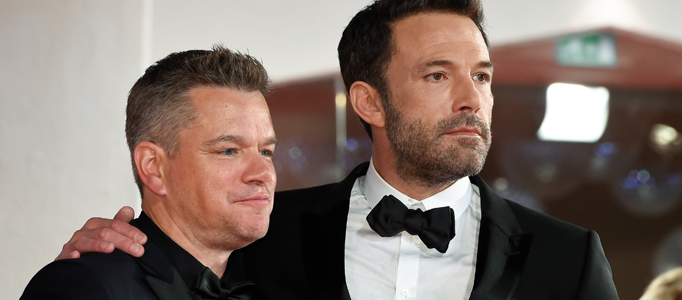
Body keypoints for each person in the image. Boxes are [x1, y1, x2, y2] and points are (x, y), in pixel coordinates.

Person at [54, 0, 620, 299]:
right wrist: (95, 264)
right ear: (369, 102)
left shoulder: (567, 260)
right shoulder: (262, 235)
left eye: (483, 76)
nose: (472, 99)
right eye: (437, 76)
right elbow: (168, 261)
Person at [21, 46, 277, 299]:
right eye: (228, 151)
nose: (264, 174)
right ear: (153, 167)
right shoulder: (82, 287)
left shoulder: (281, 277)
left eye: (266, 152)